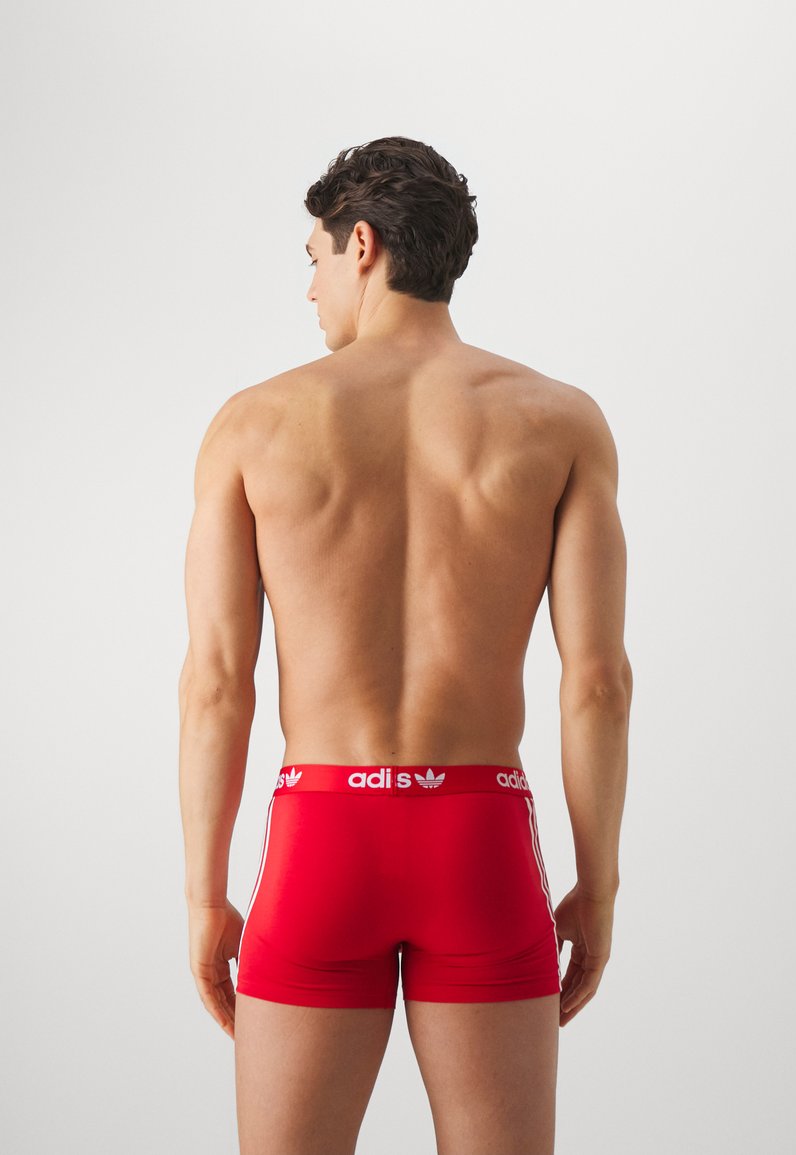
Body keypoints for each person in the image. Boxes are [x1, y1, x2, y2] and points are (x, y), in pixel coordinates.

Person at [178, 135, 632, 1155]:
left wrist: (206, 895)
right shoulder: (558, 422)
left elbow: (215, 685)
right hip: (478, 843)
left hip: (322, 839)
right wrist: (597, 887)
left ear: (363, 246)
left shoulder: (252, 424)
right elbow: (597, 684)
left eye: (313, 259)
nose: (310, 289)